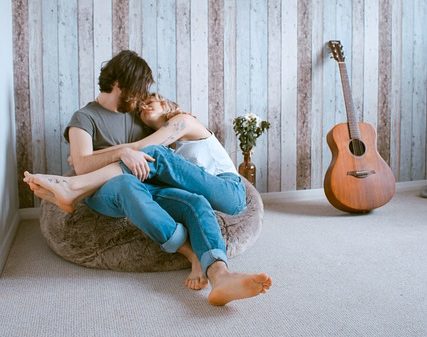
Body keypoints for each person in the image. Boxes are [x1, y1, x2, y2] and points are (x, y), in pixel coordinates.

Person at [25, 50, 271, 306]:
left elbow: (155, 151)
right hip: (112, 189)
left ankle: (221, 276)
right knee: (127, 183)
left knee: (196, 201)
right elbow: (82, 163)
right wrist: (122, 152)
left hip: (151, 185)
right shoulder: (84, 118)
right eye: (139, 90)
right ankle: (188, 252)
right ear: (120, 84)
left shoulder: (139, 117)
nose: (142, 99)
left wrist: (125, 151)